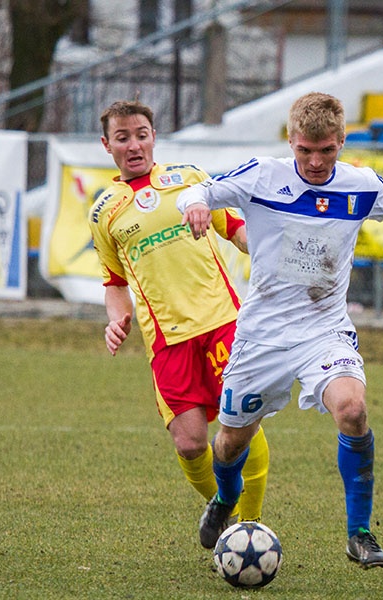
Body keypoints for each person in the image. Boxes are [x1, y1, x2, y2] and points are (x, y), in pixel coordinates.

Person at [178, 92, 383, 567]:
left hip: (323, 329)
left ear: (341, 143)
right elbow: (199, 189)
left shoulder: (361, 184)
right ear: (291, 141)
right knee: (228, 445)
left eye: (326, 150)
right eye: (305, 150)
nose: (314, 161)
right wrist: (195, 205)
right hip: (261, 335)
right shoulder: (262, 175)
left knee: (352, 410)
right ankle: (226, 498)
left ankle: (360, 533)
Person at [89, 100, 270, 534]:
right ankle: (223, 506)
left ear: (154, 136)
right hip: (167, 340)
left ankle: (252, 525)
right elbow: (114, 283)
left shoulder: (189, 180)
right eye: (123, 137)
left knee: (240, 422)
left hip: (223, 322)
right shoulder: (104, 211)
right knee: (190, 443)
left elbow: (236, 229)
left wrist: (268, 252)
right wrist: (117, 319)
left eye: (141, 134)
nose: (134, 145)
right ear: (107, 145)